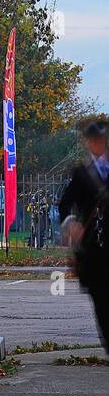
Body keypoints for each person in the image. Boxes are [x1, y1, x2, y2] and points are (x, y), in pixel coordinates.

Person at [58, 118, 109, 352]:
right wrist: (71, 224)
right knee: (101, 301)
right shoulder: (82, 173)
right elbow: (65, 204)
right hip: (94, 250)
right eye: (92, 139)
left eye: (100, 139)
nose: (96, 144)